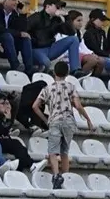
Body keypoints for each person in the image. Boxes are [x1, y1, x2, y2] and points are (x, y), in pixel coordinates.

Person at [32, 61, 92, 191]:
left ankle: (56, 176)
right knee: (64, 152)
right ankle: (65, 177)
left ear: (54, 73)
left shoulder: (47, 88)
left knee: (53, 151)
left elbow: (35, 106)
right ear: (67, 73)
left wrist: (45, 118)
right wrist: (88, 119)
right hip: (69, 121)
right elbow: (78, 105)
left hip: (54, 120)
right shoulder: (71, 87)